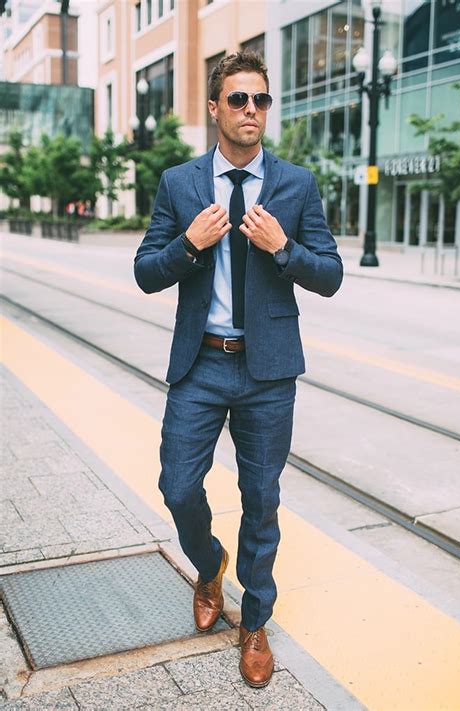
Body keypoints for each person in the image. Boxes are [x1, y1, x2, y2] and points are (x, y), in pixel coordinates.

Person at [134, 51, 343, 688]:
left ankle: (254, 621)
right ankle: (209, 562)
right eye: (238, 100)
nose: (250, 110)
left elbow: (329, 275)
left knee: (262, 498)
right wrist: (189, 243)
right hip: (201, 364)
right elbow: (146, 273)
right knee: (176, 486)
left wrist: (283, 249)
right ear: (215, 108)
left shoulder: (298, 185)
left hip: (268, 371)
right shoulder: (179, 184)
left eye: (260, 101)